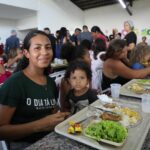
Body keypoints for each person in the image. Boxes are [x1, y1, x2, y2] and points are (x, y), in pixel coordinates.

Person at [0, 30, 69, 149]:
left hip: (50, 140)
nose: (45, 52)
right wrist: (40, 125)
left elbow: (51, 112)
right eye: (37, 48)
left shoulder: (51, 83)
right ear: (26, 53)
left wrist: (62, 114)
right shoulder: (15, 84)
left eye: (48, 47)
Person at [60, 45, 91, 110]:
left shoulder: (87, 76)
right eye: (88, 56)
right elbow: (65, 105)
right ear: (80, 59)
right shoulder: (67, 82)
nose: (90, 59)